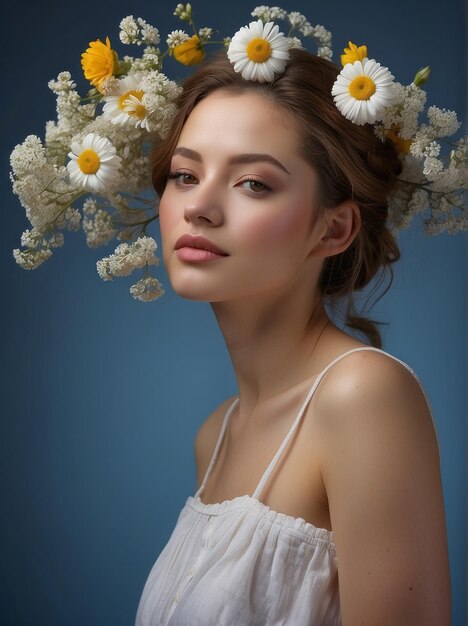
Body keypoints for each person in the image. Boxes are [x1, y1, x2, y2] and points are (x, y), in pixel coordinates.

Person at [134, 44, 451, 626]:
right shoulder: (216, 435)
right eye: (185, 174)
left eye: (253, 183)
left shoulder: (361, 395)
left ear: (333, 229)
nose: (199, 207)